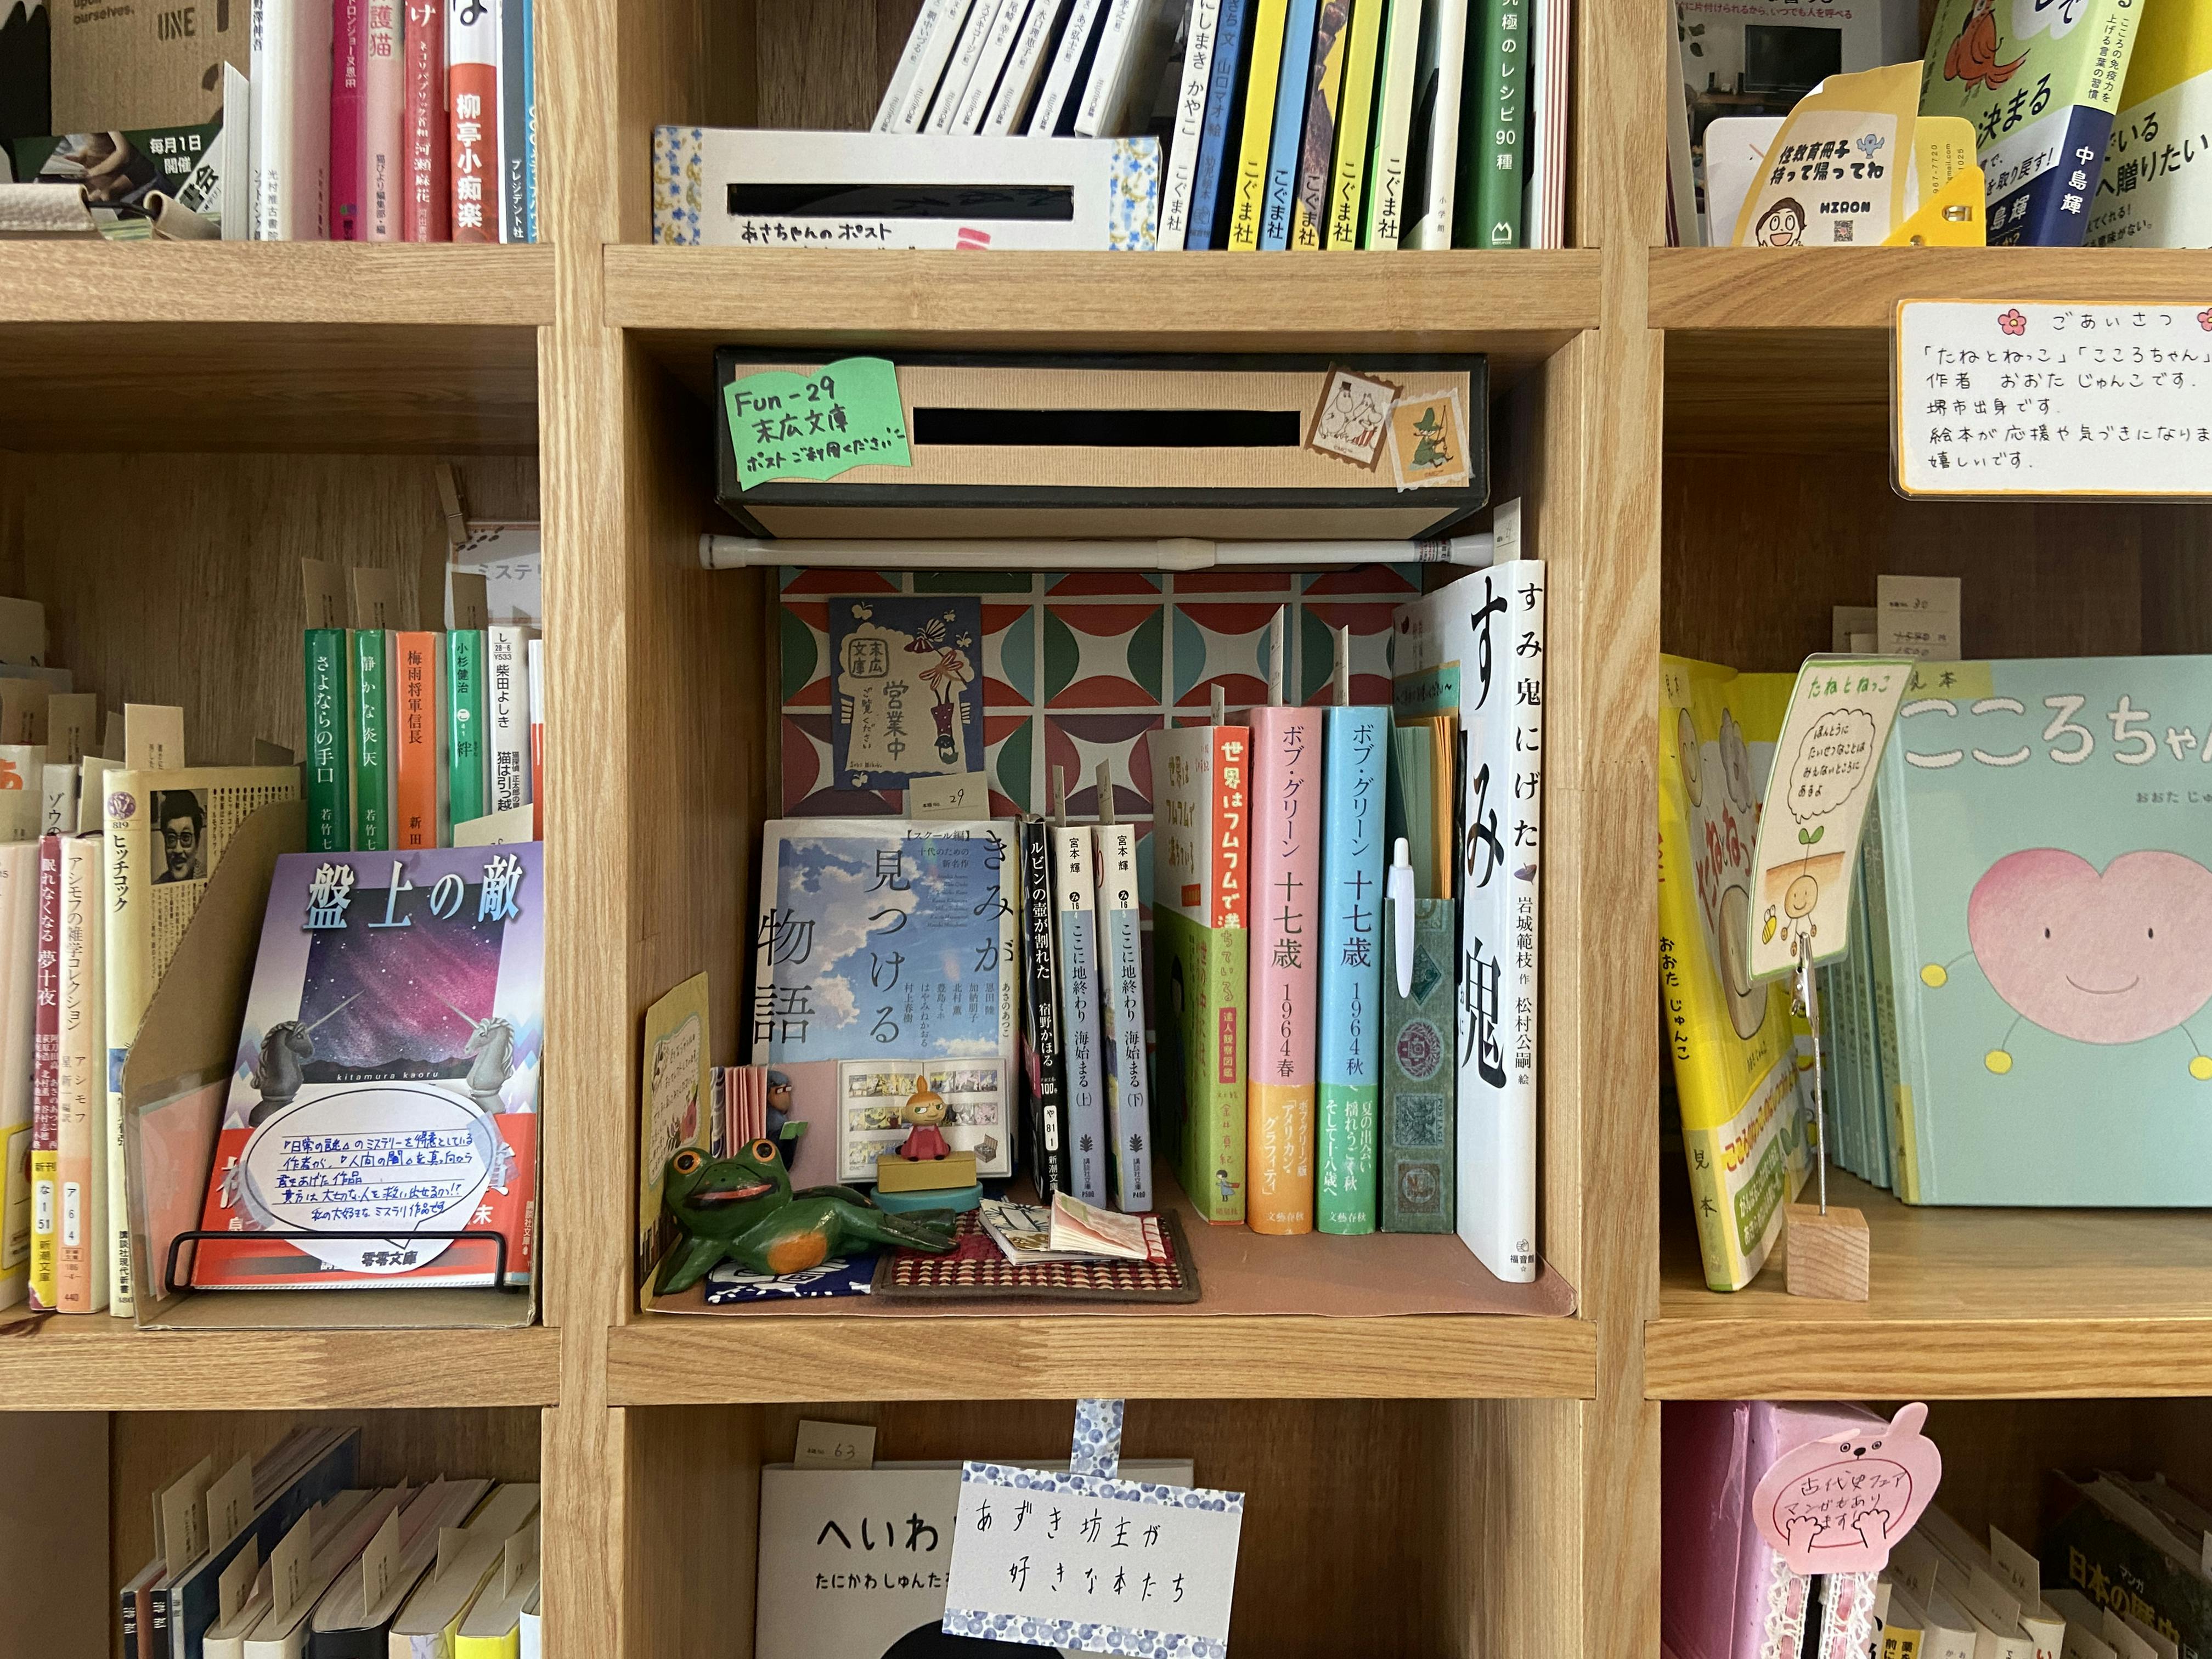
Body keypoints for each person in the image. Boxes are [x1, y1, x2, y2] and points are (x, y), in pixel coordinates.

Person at [153, 790, 205, 884]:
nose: (178, 850)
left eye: (186, 839)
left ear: (197, 843)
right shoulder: (157, 885)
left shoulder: (213, 879)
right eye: (171, 839)